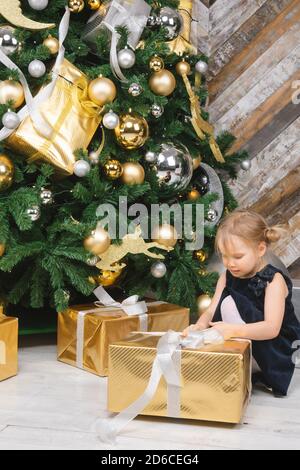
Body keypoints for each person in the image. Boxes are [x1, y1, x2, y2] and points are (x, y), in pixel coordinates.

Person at [183, 209, 300, 397]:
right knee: (224, 304)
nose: (229, 263)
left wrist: (232, 330)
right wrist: (199, 325)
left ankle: (252, 365)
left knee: (230, 302)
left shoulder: (273, 280)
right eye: (224, 255)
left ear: (260, 249)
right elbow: (212, 309)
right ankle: (234, 361)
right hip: (241, 335)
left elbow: (272, 328)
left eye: (237, 256)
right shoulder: (227, 276)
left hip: (273, 347)